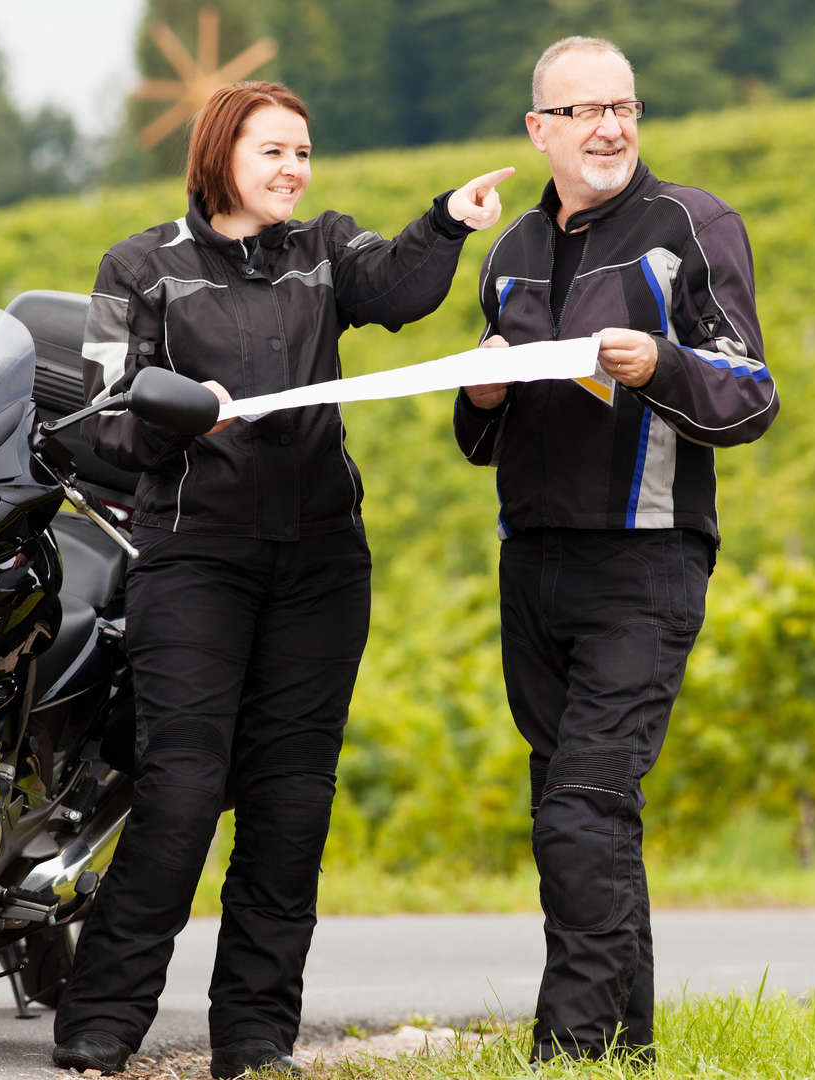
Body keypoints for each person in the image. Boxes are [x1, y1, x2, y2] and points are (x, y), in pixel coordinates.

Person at [51, 81, 512, 1078]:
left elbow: (396, 290)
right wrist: (185, 412)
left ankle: (255, 1037)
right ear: (220, 154)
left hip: (321, 566)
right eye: (273, 152)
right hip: (193, 560)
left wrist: (446, 223)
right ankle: (99, 1020)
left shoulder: (324, 248)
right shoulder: (140, 267)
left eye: (303, 152)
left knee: (290, 804)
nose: (294, 169)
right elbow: (104, 417)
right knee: (179, 794)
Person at [454, 37, 778, 1066]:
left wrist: (662, 365)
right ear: (538, 130)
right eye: (585, 110)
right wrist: (482, 392)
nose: (610, 127)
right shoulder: (506, 255)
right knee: (581, 811)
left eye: (625, 106)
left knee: (581, 808)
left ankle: (573, 1048)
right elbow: (480, 436)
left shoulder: (690, 224)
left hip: (647, 562)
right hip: (533, 561)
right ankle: (628, 1051)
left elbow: (753, 392)